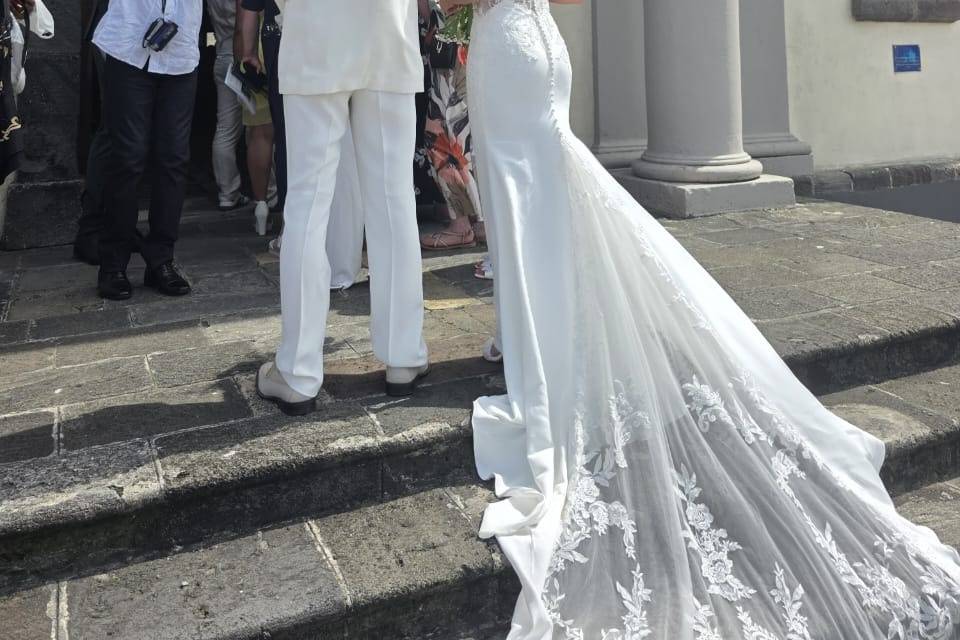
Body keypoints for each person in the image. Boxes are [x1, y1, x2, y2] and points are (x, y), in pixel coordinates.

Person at [453, 1, 960, 638]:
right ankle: (540, 334)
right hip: (546, 42)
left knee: (519, 194)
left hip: (507, 42)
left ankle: (534, 343)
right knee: (548, 196)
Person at [255, 0, 429, 415]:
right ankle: (402, 353)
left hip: (316, 34)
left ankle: (298, 371)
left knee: (307, 207)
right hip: (388, 34)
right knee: (394, 202)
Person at [237, 0, 364, 288]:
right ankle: (340, 251)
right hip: (345, 40)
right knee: (343, 146)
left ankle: (296, 237)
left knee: (294, 144)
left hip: (292, 38)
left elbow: (248, 9)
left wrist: (247, 52)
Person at [92, 0, 200, 300]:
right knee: (127, 158)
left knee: (174, 159)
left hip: (180, 51)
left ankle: (161, 260)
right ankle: (113, 264)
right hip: (128, 46)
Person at [417, 0, 485, 252]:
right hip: (469, 36)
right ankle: (481, 221)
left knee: (444, 133)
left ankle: (461, 226)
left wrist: (428, 17)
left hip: (452, 36)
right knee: (467, 130)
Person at [206, 0, 247, 212]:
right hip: (242, 55)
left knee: (225, 129)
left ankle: (227, 193)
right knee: (261, 128)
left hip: (221, 55)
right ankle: (269, 191)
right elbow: (243, 24)